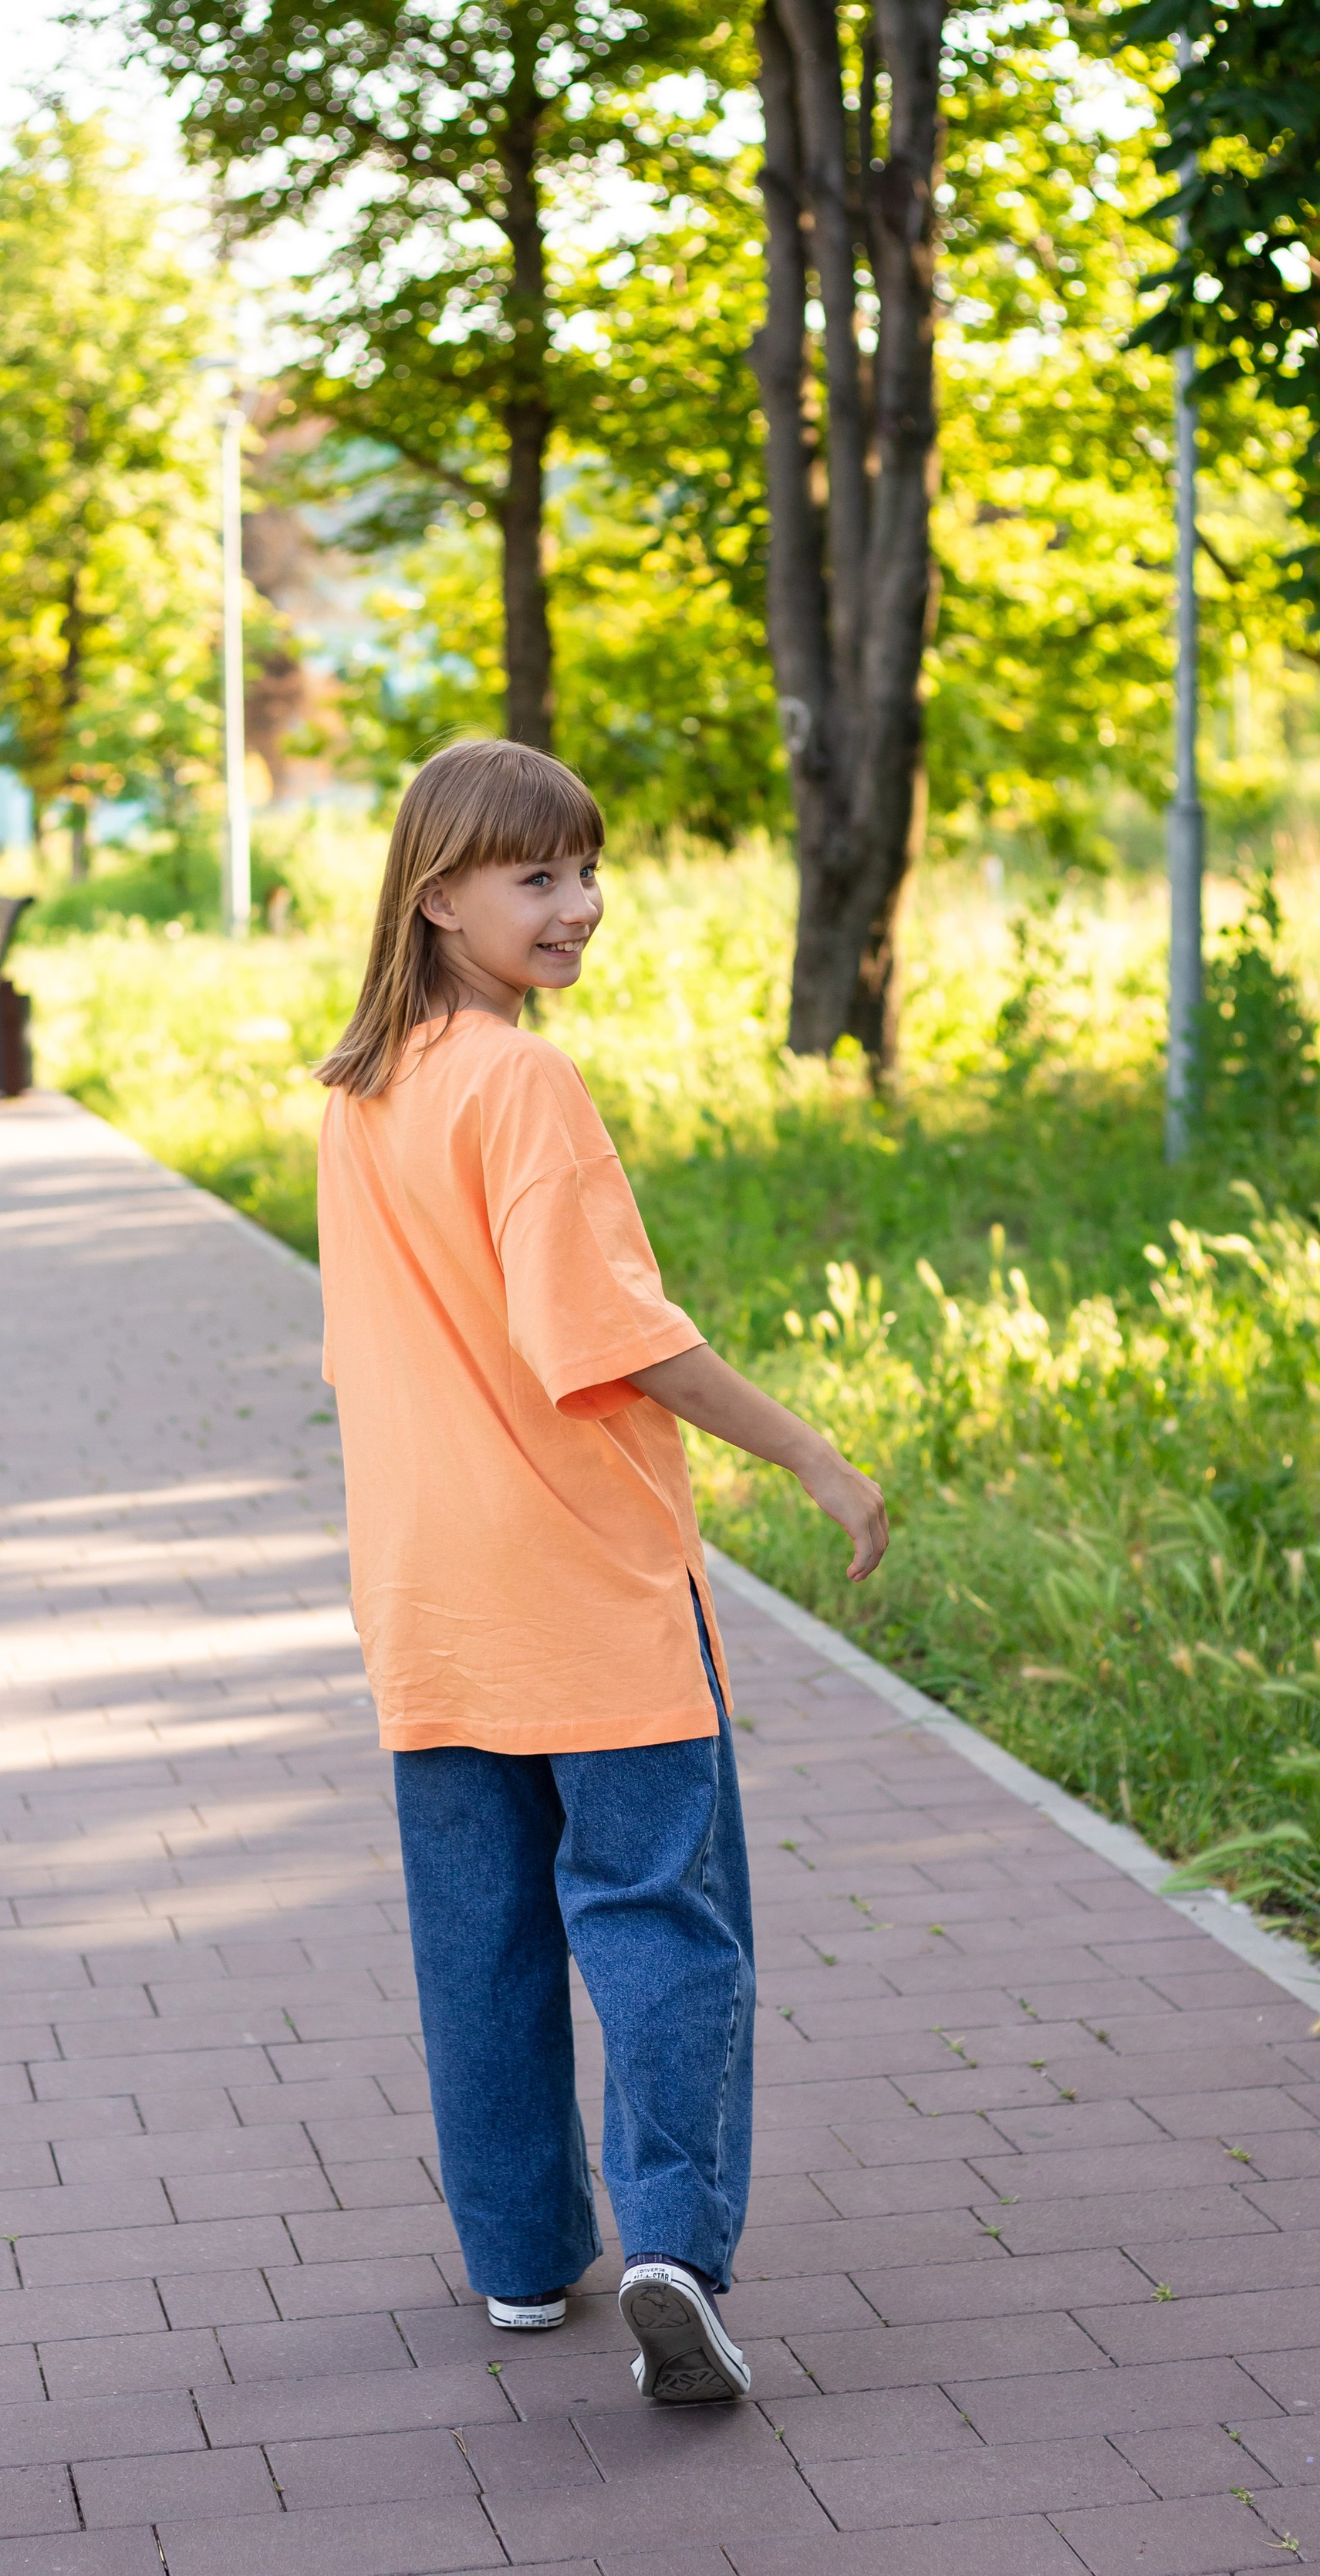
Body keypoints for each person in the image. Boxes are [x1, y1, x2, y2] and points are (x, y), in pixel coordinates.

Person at [316, 739, 887, 2405]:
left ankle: (514, 2263)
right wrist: (808, 1453)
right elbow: (610, 1342)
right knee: (658, 1922)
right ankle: (673, 2251)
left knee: (477, 1936)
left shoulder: (357, 1094)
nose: (576, 906)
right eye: (536, 878)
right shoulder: (520, 1083)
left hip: (427, 1592)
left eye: (582, 871)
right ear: (441, 896)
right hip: (583, 1583)